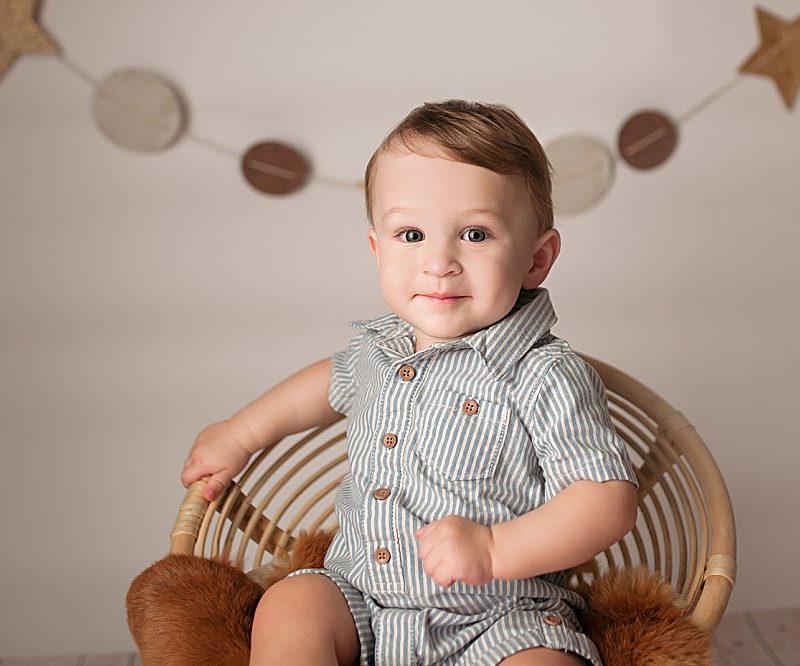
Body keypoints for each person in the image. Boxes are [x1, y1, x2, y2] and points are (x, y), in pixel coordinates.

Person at [182, 99, 640, 666]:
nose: (439, 261)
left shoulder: (546, 375)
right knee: (290, 602)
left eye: (475, 234)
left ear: (536, 260)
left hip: (502, 619)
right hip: (361, 602)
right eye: (411, 234)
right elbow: (323, 386)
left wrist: (496, 549)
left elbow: (607, 501)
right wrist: (241, 431)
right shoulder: (377, 352)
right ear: (377, 249)